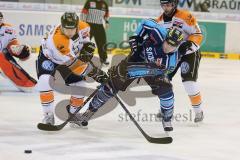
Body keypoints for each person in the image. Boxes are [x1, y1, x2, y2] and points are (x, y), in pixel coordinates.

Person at [71, 19, 184, 132]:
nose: (168, 47)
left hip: (152, 71)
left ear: (178, 46)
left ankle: (167, 118)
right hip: (136, 57)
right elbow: (145, 22)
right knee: (110, 85)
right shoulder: (160, 32)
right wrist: (137, 37)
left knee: (166, 88)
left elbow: (144, 70)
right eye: (168, 42)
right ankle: (88, 113)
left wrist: (123, 71)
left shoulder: (170, 62)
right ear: (165, 38)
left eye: (173, 46)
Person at [36, 12, 108, 125]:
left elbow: (85, 42)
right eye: (66, 29)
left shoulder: (84, 26)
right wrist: (96, 73)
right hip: (49, 58)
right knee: (44, 81)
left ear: (77, 26)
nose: (69, 32)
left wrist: (86, 48)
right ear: (61, 26)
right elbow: (74, 65)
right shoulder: (58, 40)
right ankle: (48, 116)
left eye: (72, 29)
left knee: (80, 86)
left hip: (68, 58)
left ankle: (73, 114)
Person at [156, 0, 204, 123]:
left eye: (169, 4)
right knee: (163, 81)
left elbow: (198, 34)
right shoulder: (159, 22)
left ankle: (199, 111)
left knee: (188, 82)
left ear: (174, 4)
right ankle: (166, 109)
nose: (166, 7)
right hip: (173, 54)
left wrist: (189, 44)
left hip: (189, 53)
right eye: (164, 5)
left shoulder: (186, 16)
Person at [0, 11, 36, 92]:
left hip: (2, 61)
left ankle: (25, 83)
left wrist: (19, 50)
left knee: (4, 54)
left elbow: (12, 45)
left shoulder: (8, 29)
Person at [80, 0, 110, 66]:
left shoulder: (104, 4)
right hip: (88, 25)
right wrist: (83, 23)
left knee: (102, 43)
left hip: (99, 26)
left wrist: (107, 22)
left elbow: (106, 14)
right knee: (85, 42)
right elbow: (84, 12)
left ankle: (104, 59)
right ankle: (81, 58)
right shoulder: (89, 1)